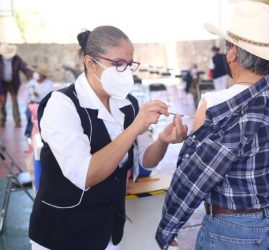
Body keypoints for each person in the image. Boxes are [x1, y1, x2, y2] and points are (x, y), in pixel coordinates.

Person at [156, 1, 269, 249]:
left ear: (233, 53)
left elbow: (196, 175)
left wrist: (168, 227)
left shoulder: (218, 105)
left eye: (228, 48)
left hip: (232, 230)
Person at [29, 26, 188, 250]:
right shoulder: (61, 104)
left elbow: (145, 160)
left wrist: (163, 139)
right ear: (90, 63)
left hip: (107, 231)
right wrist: (134, 128)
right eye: (117, 64)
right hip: (62, 233)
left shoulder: (127, 103)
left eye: (129, 64)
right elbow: (85, 175)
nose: (125, 72)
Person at [0, 44, 33, 127]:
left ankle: (17, 121)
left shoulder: (16, 59)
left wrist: (29, 75)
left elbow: (24, 67)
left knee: (15, 102)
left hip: (13, 83)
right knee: (2, 102)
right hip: (1, 83)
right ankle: (2, 120)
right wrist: (1, 91)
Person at [24, 65, 53, 140]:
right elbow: (27, 95)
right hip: (33, 103)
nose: (38, 75)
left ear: (43, 75)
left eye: (40, 74)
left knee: (43, 117)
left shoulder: (48, 83)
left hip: (43, 103)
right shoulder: (32, 83)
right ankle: (29, 133)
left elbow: (48, 95)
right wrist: (29, 100)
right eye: (38, 73)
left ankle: (43, 133)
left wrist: (39, 95)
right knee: (28, 113)